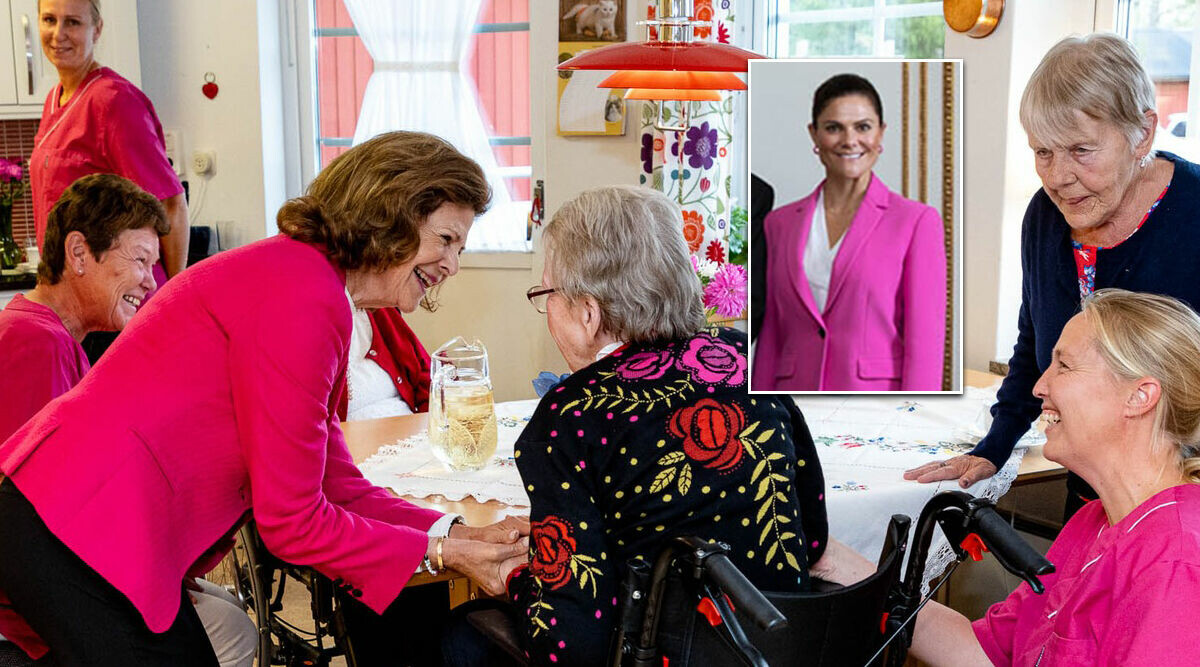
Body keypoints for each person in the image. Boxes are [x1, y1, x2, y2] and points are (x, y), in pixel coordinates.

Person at [0, 131, 528, 666]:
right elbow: (292, 521)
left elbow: (334, 480)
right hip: (77, 525)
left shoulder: (307, 280)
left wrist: (455, 533)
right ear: (391, 215)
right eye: (446, 240)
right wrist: (443, 552)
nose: (453, 265)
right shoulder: (304, 295)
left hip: (82, 522)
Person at [445, 185, 829, 666]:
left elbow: (571, 646)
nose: (548, 313)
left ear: (588, 313)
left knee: (459, 635)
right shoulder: (744, 363)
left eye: (548, 295)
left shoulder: (572, 414)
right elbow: (810, 540)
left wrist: (521, 576)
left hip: (661, 656)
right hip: (774, 650)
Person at [905, 34, 1200, 517]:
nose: (1058, 176)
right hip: (1094, 496)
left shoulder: (1194, 212)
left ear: (1142, 134)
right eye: (1043, 152)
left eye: (1081, 150)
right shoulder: (1046, 216)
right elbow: (1034, 347)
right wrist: (993, 447)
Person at [825, 289, 1200, 665]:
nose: (1039, 387)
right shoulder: (1093, 522)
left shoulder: (1175, 566)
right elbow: (987, 653)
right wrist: (829, 557)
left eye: (1064, 366)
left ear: (1139, 397)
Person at [0, 174, 255, 666]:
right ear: (78, 254)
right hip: (25, 612)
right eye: (140, 260)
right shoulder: (37, 343)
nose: (151, 282)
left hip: (52, 579)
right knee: (233, 630)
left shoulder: (53, 337)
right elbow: (34, 520)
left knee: (220, 605)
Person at [752, 73, 946, 391]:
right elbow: (773, 334)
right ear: (814, 135)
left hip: (874, 406)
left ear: (881, 133)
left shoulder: (916, 222)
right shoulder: (779, 224)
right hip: (794, 402)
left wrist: (914, 419)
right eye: (833, 128)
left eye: (863, 126)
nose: (849, 140)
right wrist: (759, 408)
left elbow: (925, 343)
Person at [34, 0, 189, 362]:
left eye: (72, 22)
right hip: (75, 303)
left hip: (115, 308)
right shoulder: (54, 99)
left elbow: (171, 204)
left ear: (97, 30)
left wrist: (174, 298)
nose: (59, 35)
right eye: (49, 20)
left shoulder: (113, 102)